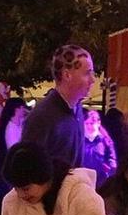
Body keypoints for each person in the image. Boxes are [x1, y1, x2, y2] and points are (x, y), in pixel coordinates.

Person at [21, 44, 95, 173]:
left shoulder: (76, 108)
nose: (93, 80)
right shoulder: (42, 116)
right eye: (87, 73)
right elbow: (27, 169)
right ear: (67, 75)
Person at [79, 109, 118, 183]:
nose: (89, 126)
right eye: (87, 123)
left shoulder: (106, 141)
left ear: (98, 123)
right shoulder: (80, 140)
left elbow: (112, 160)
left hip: (101, 179)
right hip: (83, 178)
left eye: (92, 123)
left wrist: (109, 171)